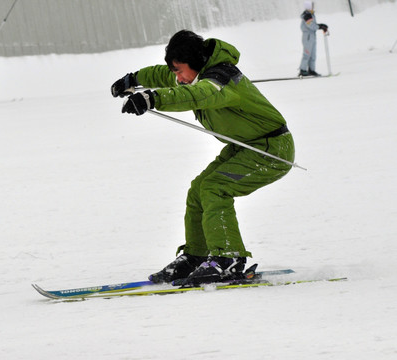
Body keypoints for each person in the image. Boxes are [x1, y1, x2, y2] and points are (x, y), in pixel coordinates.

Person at [111, 30, 295, 286]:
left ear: (195, 62)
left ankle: (228, 259)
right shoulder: (194, 74)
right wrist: (132, 79)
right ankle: (196, 257)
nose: (177, 77)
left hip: (272, 150)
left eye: (179, 70)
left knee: (215, 188)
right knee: (198, 189)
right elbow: (162, 75)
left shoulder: (220, 80)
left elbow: (198, 95)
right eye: (175, 71)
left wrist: (153, 98)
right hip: (245, 146)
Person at [299, 1, 328, 77]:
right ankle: (302, 70)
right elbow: (311, 25)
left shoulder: (311, 14)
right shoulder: (307, 15)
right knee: (307, 54)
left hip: (312, 36)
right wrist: (319, 26)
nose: (313, 7)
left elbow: (313, 25)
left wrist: (320, 26)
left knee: (313, 54)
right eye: (311, 5)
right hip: (308, 36)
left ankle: (311, 70)